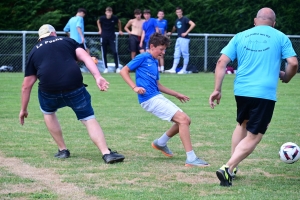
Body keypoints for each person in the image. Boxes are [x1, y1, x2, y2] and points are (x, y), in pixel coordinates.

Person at [209, 8, 298, 187]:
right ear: (274, 23)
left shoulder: (240, 36)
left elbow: (221, 62)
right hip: (263, 93)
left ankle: (232, 167)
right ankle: (228, 168)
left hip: (241, 90)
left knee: (242, 124)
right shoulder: (281, 37)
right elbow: (293, 63)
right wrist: (286, 76)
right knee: (254, 135)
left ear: (255, 20)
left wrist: (217, 89)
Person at [19, 24, 125, 164]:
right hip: (74, 86)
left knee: (49, 113)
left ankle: (63, 150)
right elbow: (86, 58)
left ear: (40, 38)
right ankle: (106, 153)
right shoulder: (67, 41)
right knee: (88, 118)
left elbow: (26, 85)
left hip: (49, 90)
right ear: (54, 33)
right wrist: (97, 76)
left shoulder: (34, 51)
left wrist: (23, 109)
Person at [120, 33, 209, 167]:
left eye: (164, 49)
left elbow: (158, 85)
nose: (163, 52)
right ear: (152, 46)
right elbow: (124, 71)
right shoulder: (143, 57)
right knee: (183, 119)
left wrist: (176, 94)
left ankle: (160, 143)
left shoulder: (155, 61)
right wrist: (135, 87)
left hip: (156, 96)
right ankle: (191, 158)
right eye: (161, 49)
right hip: (149, 99)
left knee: (186, 120)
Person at [165, 7, 196, 74]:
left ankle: (184, 69)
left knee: (185, 54)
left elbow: (193, 24)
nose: (178, 13)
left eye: (179, 12)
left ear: (182, 12)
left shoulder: (185, 19)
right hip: (178, 38)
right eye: (177, 12)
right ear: (176, 13)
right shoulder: (177, 20)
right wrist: (171, 32)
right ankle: (173, 69)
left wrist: (186, 32)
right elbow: (174, 27)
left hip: (184, 39)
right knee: (176, 54)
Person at [97, 7, 123, 73]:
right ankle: (105, 68)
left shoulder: (114, 18)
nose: (109, 13)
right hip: (104, 37)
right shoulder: (102, 18)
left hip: (111, 37)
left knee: (115, 52)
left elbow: (119, 22)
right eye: (107, 12)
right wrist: (100, 29)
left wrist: (120, 30)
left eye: (110, 12)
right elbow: (98, 21)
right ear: (105, 12)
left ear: (112, 12)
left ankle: (117, 68)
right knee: (104, 53)